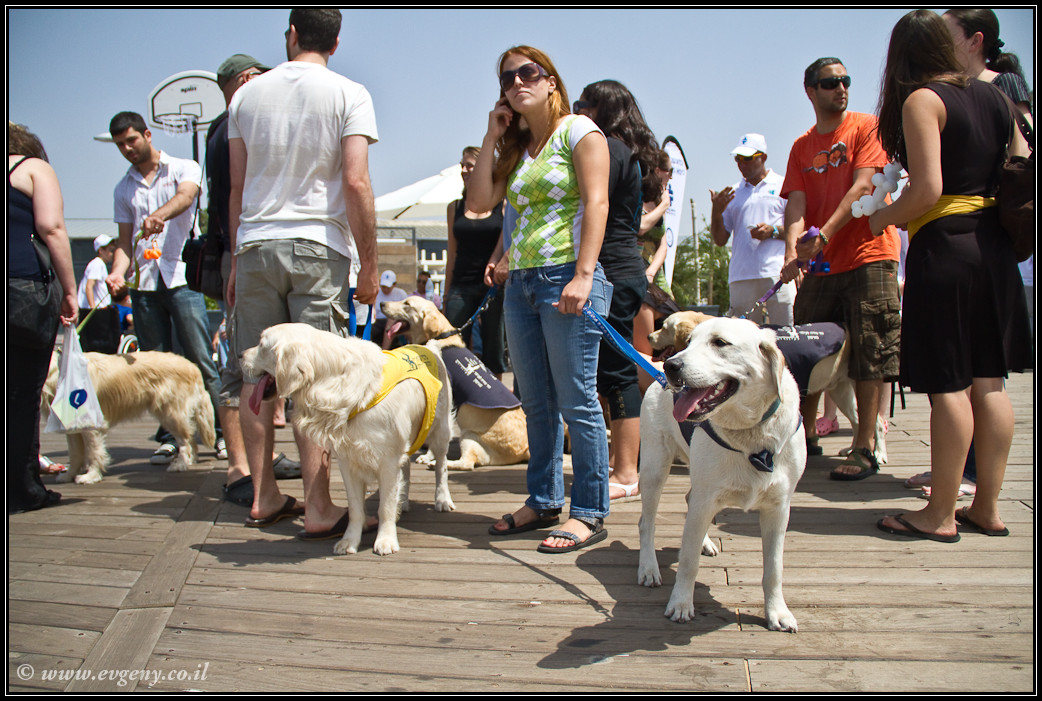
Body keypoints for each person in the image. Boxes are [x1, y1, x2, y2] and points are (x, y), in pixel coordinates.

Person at [870, 10, 1031, 541]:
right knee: (990, 382)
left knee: (947, 387)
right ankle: (986, 507)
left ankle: (938, 514)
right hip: (997, 251)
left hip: (948, 248)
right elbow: (1019, 169)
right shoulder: (999, 99)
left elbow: (927, 191)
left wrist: (882, 216)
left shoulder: (924, 99)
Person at [227, 8, 380, 538]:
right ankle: (318, 504)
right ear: (335, 42)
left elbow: (236, 188)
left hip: (254, 245)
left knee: (257, 375)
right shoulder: (349, 93)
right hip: (319, 246)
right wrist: (370, 265)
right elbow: (356, 183)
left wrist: (235, 256)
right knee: (315, 380)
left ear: (290, 35)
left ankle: (263, 494)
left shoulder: (245, 95)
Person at [471, 46, 613, 552]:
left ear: (551, 80)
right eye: (507, 77)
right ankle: (544, 498)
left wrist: (583, 273)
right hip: (523, 283)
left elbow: (597, 201)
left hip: (566, 277)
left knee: (577, 399)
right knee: (536, 402)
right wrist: (492, 136)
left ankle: (591, 510)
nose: (516, 82)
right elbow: (479, 204)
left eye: (527, 72)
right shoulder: (518, 148)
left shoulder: (579, 131)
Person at [778, 57, 902, 481]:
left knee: (872, 352)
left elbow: (864, 185)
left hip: (870, 253)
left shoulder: (867, 126)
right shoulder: (801, 146)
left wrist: (822, 236)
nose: (841, 88)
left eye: (846, 81)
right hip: (822, 265)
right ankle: (803, 435)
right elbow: (795, 204)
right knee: (804, 347)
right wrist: (793, 248)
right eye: (831, 83)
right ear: (810, 90)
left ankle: (864, 444)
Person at [204, 53, 301, 505]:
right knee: (249, 364)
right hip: (250, 248)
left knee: (255, 364)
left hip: (245, 249)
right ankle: (244, 469)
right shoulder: (240, 120)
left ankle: (252, 469)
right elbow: (237, 194)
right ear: (246, 80)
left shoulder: (223, 126)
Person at [105, 110, 222, 465]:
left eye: (132, 140)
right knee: (151, 365)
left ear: (147, 135)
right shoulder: (124, 187)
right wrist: (116, 272)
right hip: (143, 284)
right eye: (120, 145)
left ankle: (220, 434)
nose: (127, 149)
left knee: (201, 358)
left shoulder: (183, 167)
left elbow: (187, 198)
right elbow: (125, 243)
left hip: (181, 278)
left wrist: (160, 215)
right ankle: (172, 437)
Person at [573, 79, 654, 503]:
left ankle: (626, 470)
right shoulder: (625, 153)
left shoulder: (609, 150)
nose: (574, 111)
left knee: (616, 373)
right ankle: (619, 463)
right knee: (611, 371)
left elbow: (595, 210)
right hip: (623, 270)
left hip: (613, 273)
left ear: (601, 111)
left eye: (582, 104)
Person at [8, 122, 78, 513]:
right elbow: (51, 227)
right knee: (21, 393)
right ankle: (22, 489)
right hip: (21, 292)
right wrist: (70, 290)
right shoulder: (33, 168)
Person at [710, 133, 793, 325]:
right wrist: (716, 212)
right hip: (741, 276)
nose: (742, 164)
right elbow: (720, 239)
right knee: (741, 339)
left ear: (763, 157)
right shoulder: (732, 192)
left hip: (776, 273)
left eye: (747, 158)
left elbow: (797, 229)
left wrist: (773, 231)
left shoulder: (784, 185)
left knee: (783, 334)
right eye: (738, 159)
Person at [444, 146, 507, 377]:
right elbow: (451, 254)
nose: (464, 169)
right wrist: (446, 293)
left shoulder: (503, 205)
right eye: (462, 165)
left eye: (470, 165)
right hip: (461, 285)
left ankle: (494, 404)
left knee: (493, 350)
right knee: (451, 346)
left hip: (493, 286)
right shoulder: (455, 207)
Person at [77, 234, 116, 310]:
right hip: (96, 310)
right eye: (110, 250)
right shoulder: (97, 263)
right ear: (101, 251)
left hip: (101, 309)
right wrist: (93, 308)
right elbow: (89, 286)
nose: (112, 254)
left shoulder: (100, 264)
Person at [374, 270, 409, 349]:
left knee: (391, 319)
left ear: (394, 284)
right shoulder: (376, 292)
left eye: (388, 287)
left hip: (395, 321)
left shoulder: (401, 294)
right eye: (383, 287)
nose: (385, 289)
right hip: (377, 322)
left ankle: (384, 350)